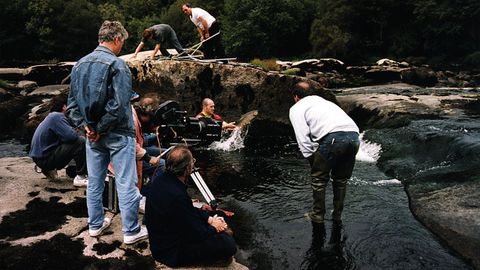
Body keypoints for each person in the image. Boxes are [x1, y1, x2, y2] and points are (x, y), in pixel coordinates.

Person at [67, 20, 148, 244]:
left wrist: (88, 128)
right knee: (126, 182)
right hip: (119, 133)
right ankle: (131, 231)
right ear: (116, 39)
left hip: (92, 135)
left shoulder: (78, 65)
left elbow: (72, 106)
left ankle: (95, 225)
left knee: (95, 181)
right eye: (123, 42)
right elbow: (120, 104)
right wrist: (100, 128)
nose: (123, 47)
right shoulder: (117, 65)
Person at [144, 145, 237, 267]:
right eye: (192, 161)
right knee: (228, 244)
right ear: (188, 168)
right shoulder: (178, 195)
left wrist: (208, 219)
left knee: (217, 214)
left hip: (163, 237)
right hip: (171, 252)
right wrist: (215, 228)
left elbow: (185, 211)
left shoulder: (161, 178)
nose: (193, 164)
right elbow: (194, 233)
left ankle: (217, 224)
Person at [289, 82, 360, 224]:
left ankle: (317, 215)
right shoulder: (325, 102)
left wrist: (311, 159)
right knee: (340, 180)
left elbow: (303, 138)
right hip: (354, 136)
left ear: (296, 97)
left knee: (319, 179)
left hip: (333, 138)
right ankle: (337, 216)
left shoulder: (297, 108)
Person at [29, 93, 88, 187]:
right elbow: (72, 137)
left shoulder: (51, 116)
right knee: (81, 142)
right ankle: (81, 177)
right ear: (64, 106)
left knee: (73, 141)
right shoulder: (57, 117)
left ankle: (51, 170)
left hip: (40, 159)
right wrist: (76, 130)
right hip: (45, 160)